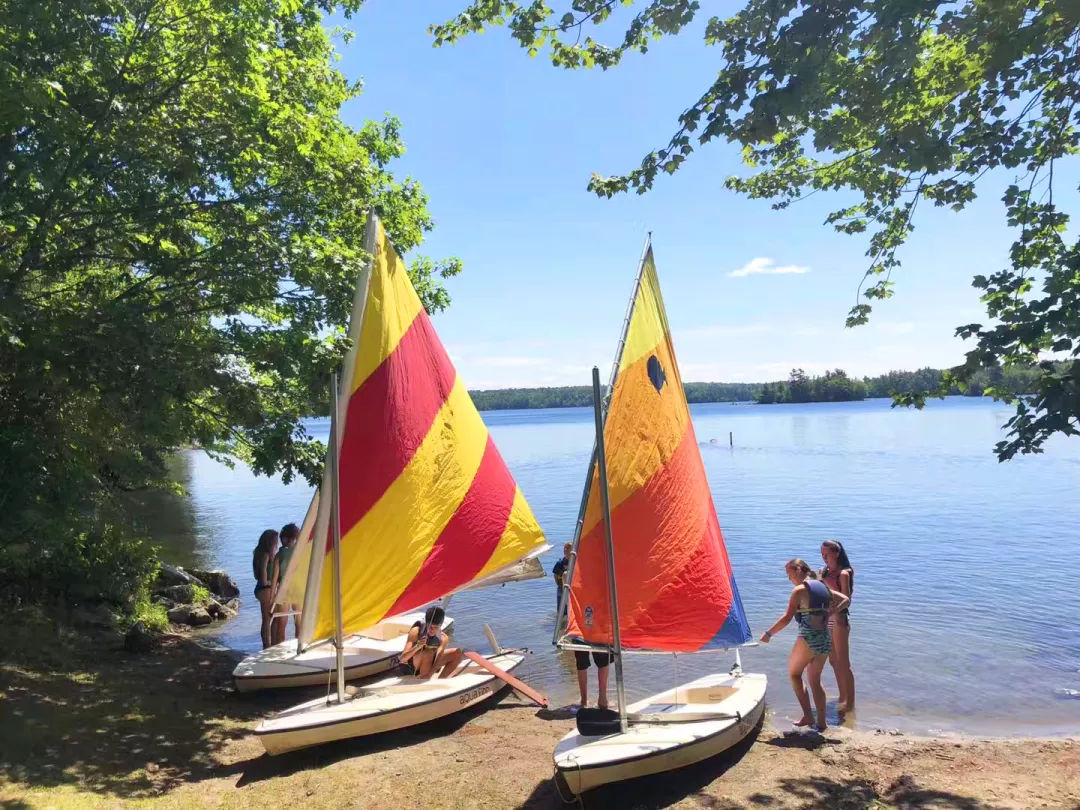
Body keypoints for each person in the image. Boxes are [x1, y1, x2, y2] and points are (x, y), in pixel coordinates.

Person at [759, 558, 849, 732]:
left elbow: (787, 618)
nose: (788, 578)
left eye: (789, 573)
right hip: (824, 639)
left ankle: (808, 716)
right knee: (815, 681)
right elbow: (845, 599)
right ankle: (822, 723)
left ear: (799, 570)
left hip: (808, 638)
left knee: (794, 675)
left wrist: (769, 634)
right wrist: (832, 611)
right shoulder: (824, 588)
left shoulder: (799, 591)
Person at [820, 539, 855, 712]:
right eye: (822, 554)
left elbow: (847, 600)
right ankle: (843, 696)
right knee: (833, 661)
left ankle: (850, 703)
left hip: (839, 620)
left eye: (827, 554)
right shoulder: (824, 572)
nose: (824, 557)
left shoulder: (843, 574)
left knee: (843, 663)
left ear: (837, 553)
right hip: (827, 621)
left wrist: (832, 612)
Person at [399, 606, 464, 679]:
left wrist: (430, 674)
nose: (431, 630)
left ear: (440, 625)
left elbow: (438, 659)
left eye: (435, 627)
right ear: (426, 623)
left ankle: (441, 679)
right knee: (428, 652)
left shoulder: (443, 638)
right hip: (414, 665)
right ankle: (422, 680)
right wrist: (417, 646)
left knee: (457, 653)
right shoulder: (416, 631)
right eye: (429, 626)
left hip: (430, 662)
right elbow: (402, 659)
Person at [270, 522, 301, 646]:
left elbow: (274, 579)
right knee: (299, 622)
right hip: (299, 590)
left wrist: (272, 597)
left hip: (284, 591)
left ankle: (279, 649)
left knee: (281, 624)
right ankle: (300, 649)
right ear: (296, 538)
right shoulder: (301, 553)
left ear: (283, 538)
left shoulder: (278, 555)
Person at [252, 529, 279, 649]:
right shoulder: (266, 555)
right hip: (265, 589)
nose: (277, 543)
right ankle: (267, 646)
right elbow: (263, 579)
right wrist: (275, 583)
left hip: (260, 589)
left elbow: (256, 576)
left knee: (267, 619)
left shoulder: (258, 552)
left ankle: (268, 645)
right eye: (275, 541)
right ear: (270, 542)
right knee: (267, 620)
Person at [552, 543, 572, 609]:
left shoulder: (575, 562)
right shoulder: (560, 563)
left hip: (572, 588)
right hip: (561, 587)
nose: (565, 550)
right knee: (561, 607)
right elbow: (555, 575)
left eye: (568, 548)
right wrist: (559, 585)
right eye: (565, 548)